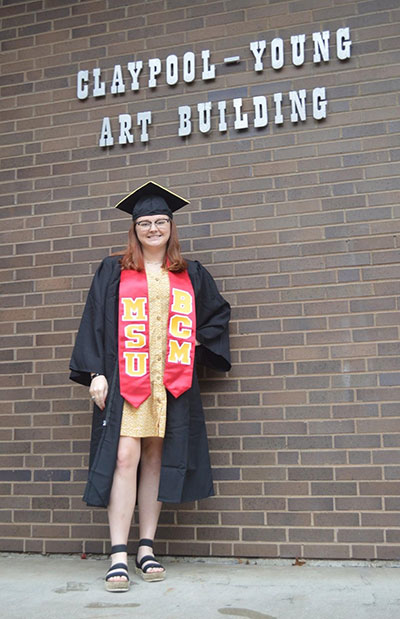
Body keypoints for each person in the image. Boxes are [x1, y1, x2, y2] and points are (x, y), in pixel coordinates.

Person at [69, 181, 231, 592]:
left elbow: (217, 315)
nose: (154, 228)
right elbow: (95, 322)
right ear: (135, 228)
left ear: (172, 227)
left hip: (171, 382)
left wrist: (195, 341)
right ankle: (118, 553)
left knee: (157, 459)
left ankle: (146, 547)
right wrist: (96, 373)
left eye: (161, 221)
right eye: (146, 222)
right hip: (127, 379)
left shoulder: (190, 272)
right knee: (125, 456)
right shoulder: (113, 270)